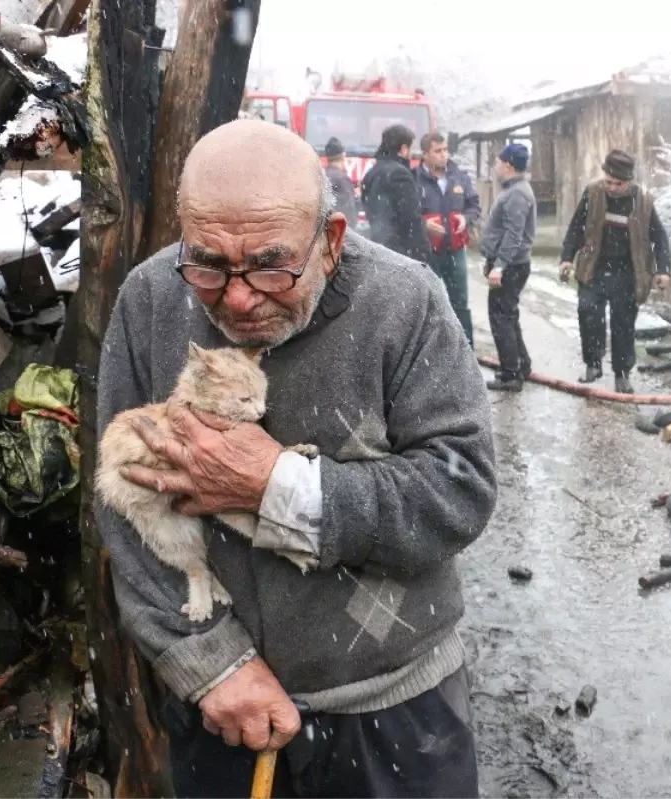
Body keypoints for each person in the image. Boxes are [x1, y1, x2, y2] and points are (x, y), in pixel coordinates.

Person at [95, 119, 496, 798]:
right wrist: (209, 664)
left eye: (272, 264)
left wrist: (276, 485)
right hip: (222, 714)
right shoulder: (151, 299)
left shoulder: (405, 303)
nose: (240, 296)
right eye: (209, 264)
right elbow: (121, 505)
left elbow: (459, 491)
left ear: (331, 240)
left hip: (393, 709)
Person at [559, 148, 671, 394]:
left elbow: (660, 237)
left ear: (628, 180)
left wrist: (663, 269)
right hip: (594, 267)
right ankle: (593, 363)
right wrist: (566, 258)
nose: (611, 187)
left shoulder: (643, 201)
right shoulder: (592, 193)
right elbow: (576, 226)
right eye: (608, 181)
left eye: (618, 183)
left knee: (623, 325)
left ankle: (622, 374)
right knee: (588, 312)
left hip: (628, 272)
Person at [416, 131, 481, 346]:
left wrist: (466, 217)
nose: (443, 155)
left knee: (460, 303)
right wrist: (424, 225)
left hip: (455, 251)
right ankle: (431, 351)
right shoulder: (414, 180)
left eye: (445, 150)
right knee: (427, 304)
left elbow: (474, 205)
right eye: (437, 151)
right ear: (425, 154)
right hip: (428, 253)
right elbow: (406, 214)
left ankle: (466, 350)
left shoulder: (459, 176)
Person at [480, 143, 536, 392]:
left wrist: (499, 266)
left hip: (511, 265)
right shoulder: (515, 190)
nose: (495, 166)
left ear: (509, 165)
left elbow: (514, 234)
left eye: (498, 162)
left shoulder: (516, 194)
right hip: (511, 263)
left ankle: (511, 374)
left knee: (501, 318)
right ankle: (521, 364)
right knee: (508, 315)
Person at [359, 125, 432, 262]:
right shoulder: (401, 174)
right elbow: (411, 218)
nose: (411, 154)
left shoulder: (371, 173)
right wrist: (423, 252)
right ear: (403, 149)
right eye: (410, 149)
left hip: (378, 248)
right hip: (400, 253)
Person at [323, 137, 358, 229]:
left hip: (323, 227)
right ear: (343, 156)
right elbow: (349, 208)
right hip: (339, 229)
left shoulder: (321, 174)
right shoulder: (342, 178)